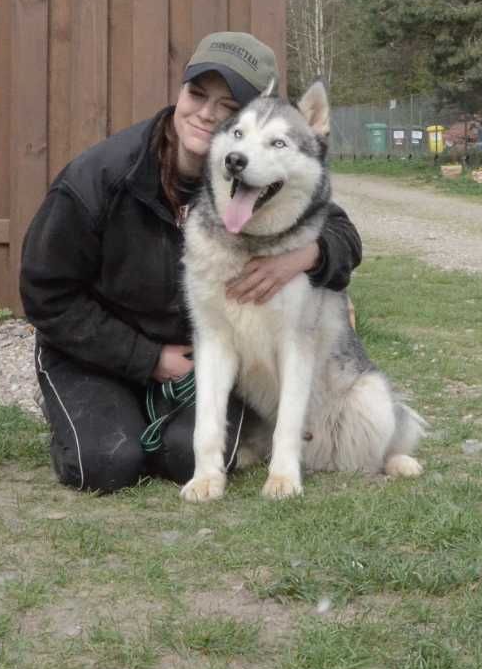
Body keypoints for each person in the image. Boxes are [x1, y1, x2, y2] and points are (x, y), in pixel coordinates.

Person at [18, 32, 363, 493]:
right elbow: (45, 295)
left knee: (186, 459)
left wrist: (306, 255)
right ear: (180, 94)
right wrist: (147, 358)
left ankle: (162, 420)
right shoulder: (99, 178)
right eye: (196, 94)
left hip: (198, 360)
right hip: (95, 353)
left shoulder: (253, 173)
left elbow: (340, 231)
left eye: (226, 107)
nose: (205, 113)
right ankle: (90, 411)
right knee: (106, 462)